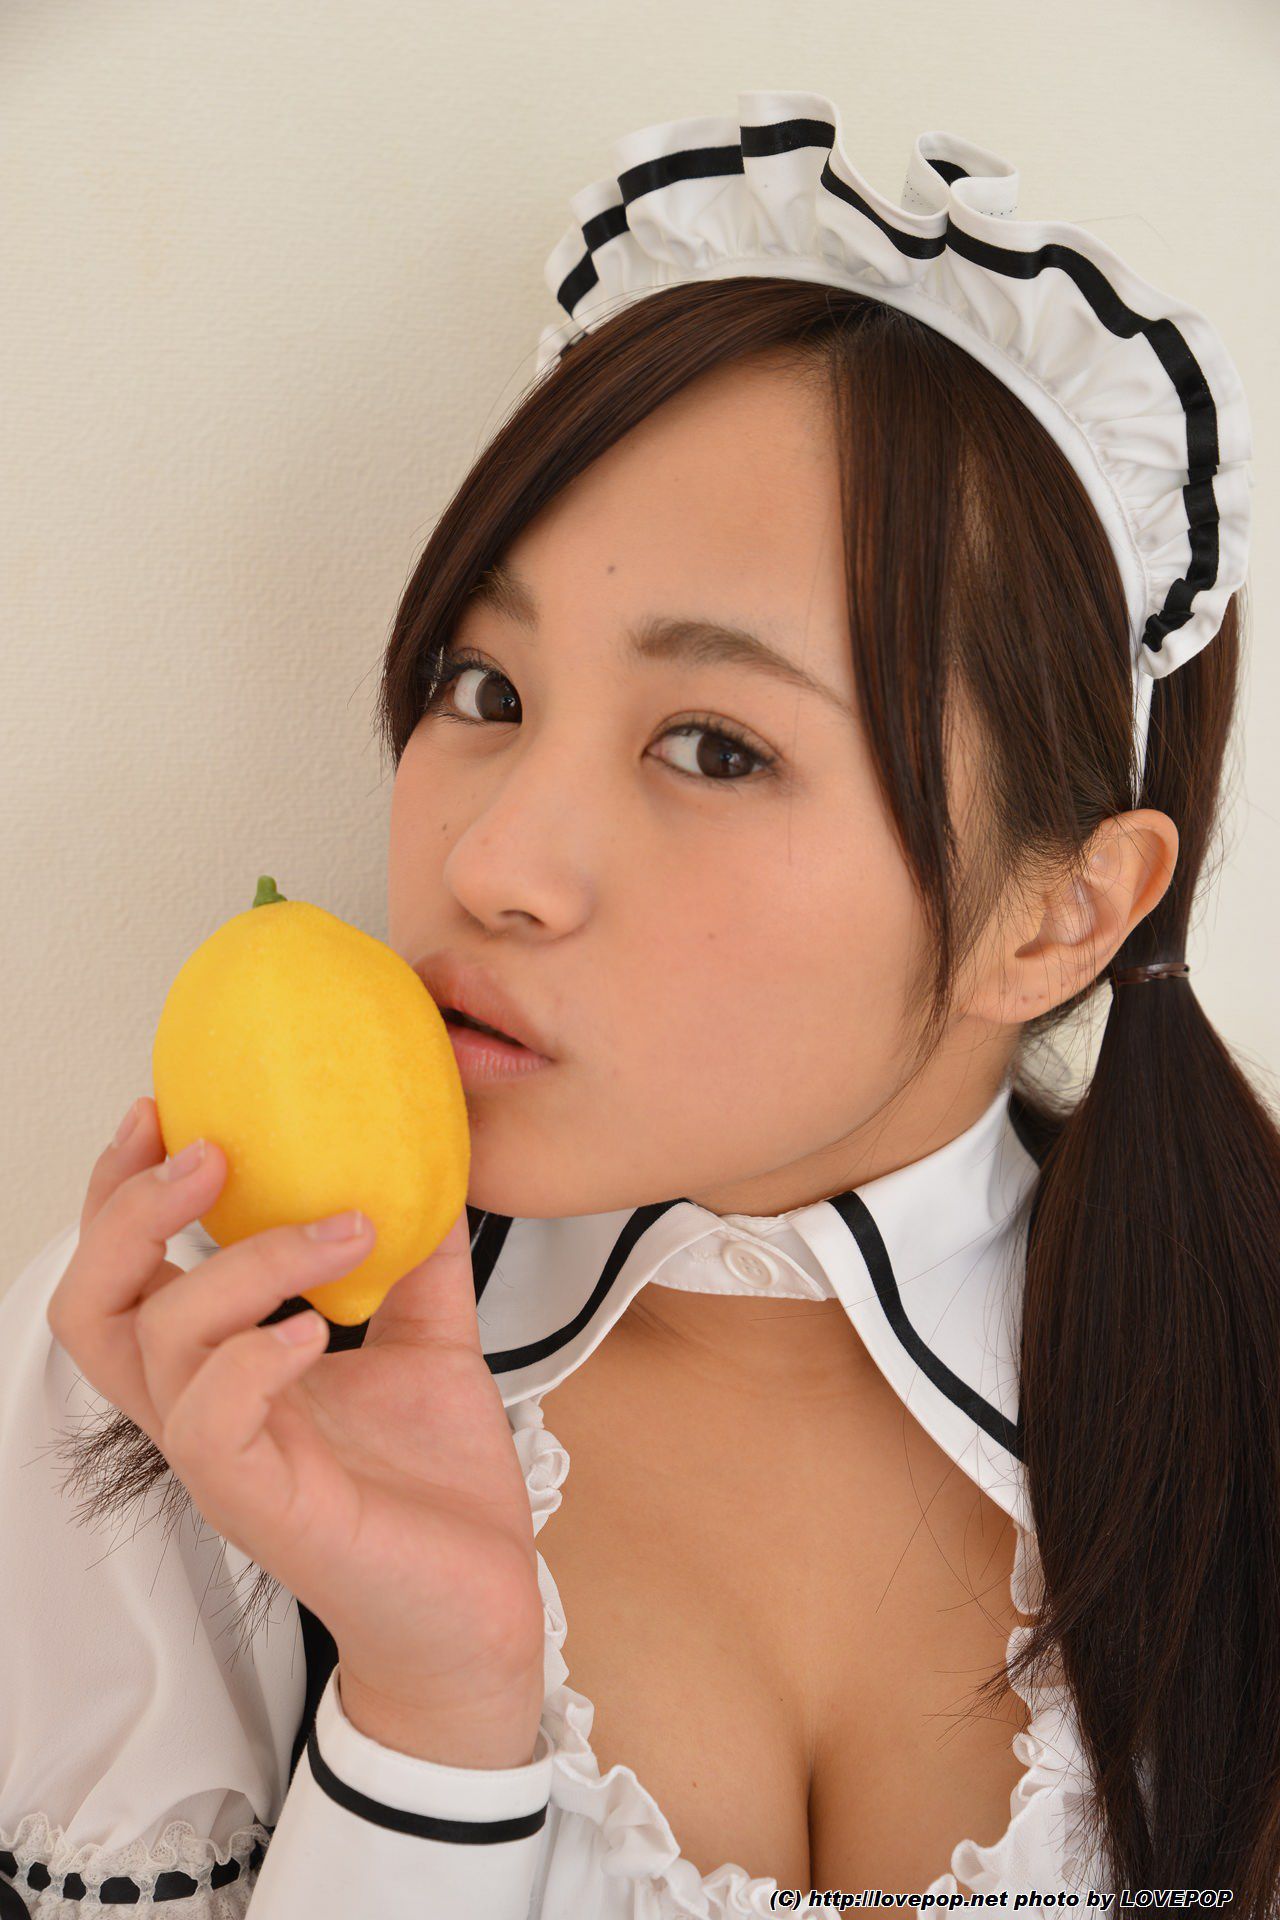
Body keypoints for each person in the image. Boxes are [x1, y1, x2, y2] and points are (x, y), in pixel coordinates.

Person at [1, 91, 1275, 1917]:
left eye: (714, 746)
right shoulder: (186, 1368)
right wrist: (426, 1723)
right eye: (483, 688)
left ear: (1056, 916)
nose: (494, 860)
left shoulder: (1242, 1392)